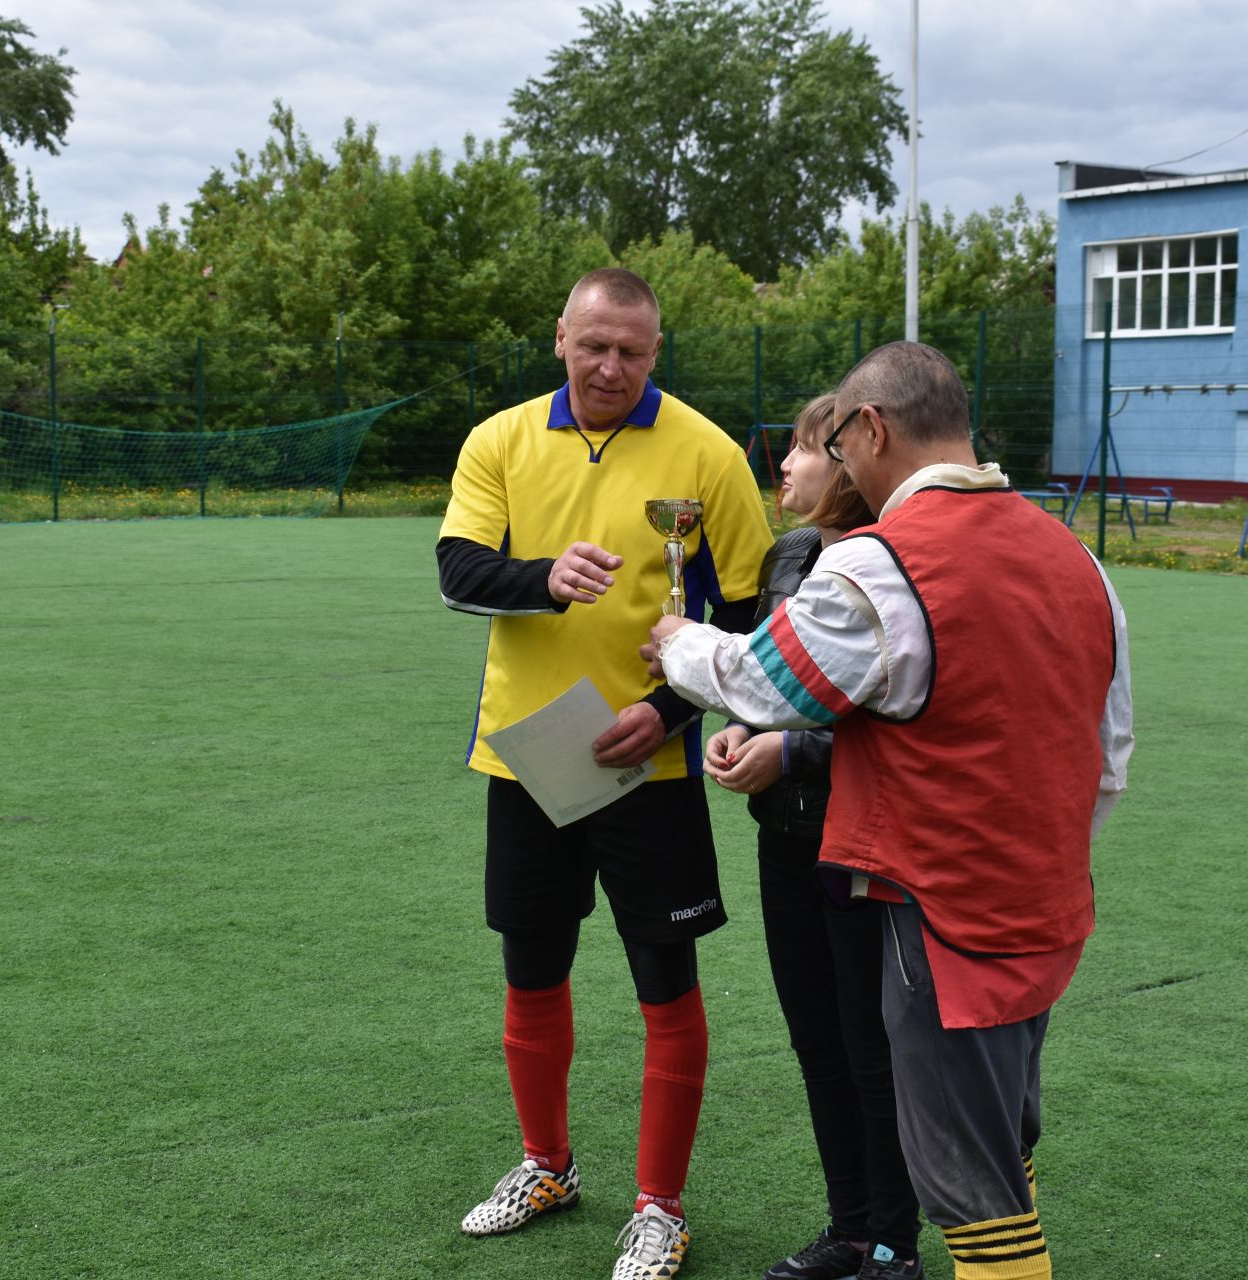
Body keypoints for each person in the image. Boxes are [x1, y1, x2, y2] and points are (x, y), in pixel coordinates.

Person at [645, 342, 1134, 1280]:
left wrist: (676, 641)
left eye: (832, 438)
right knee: (1000, 1152)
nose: (829, 460)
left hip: (939, 914)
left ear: (869, 429)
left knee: (975, 1201)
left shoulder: (882, 564)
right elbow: (1110, 755)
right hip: (1045, 907)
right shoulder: (1073, 554)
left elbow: (761, 680)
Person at [435, 267, 772, 1280]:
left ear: (656, 350)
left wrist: (668, 708)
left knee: (664, 980)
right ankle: (546, 1163)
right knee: (531, 966)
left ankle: (660, 1207)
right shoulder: (498, 440)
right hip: (528, 756)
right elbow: (458, 571)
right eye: (593, 345)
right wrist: (543, 578)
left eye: (630, 348)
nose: (610, 364)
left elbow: (747, 618)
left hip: (652, 765)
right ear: (560, 339)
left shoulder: (708, 453)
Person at [704, 394, 926, 1280]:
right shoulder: (791, 553)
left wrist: (790, 752)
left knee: (873, 1048)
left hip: (861, 844)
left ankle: (892, 1247)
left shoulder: (894, 564)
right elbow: (772, 678)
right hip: (784, 841)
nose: (786, 466)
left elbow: (903, 727)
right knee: (815, 1039)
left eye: (802, 449)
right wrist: (737, 728)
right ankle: (848, 1228)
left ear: (851, 459)